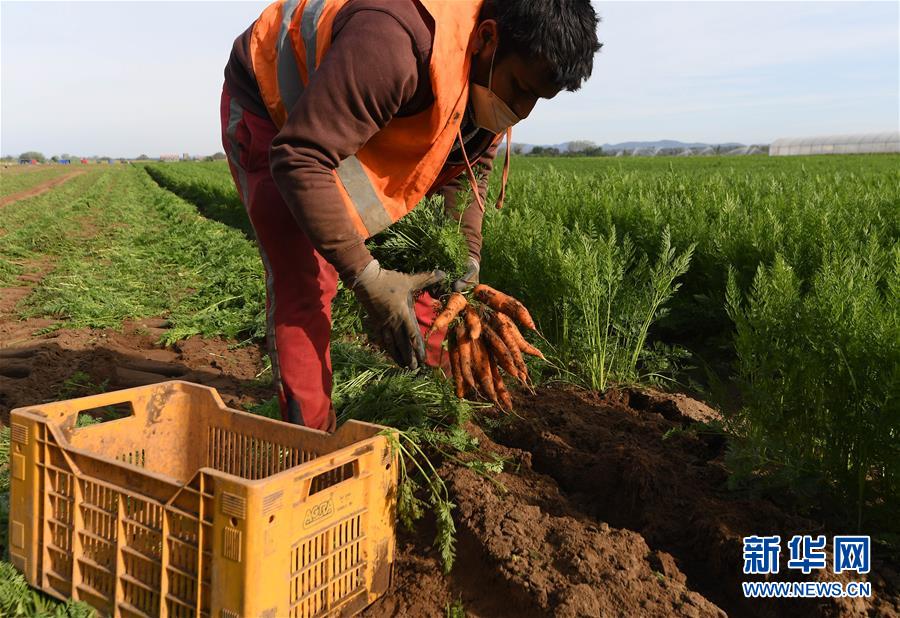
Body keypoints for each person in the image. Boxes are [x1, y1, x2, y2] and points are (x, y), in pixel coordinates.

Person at [220, 0, 600, 431]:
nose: (523, 109)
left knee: (427, 276)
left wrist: (468, 259)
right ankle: (311, 443)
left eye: (536, 98)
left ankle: (458, 392)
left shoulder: (486, 70)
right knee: (309, 277)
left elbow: (469, 168)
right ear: (488, 37)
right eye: (519, 89)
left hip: (350, 110)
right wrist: (365, 276)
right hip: (272, 106)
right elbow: (300, 158)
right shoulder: (393, 44)